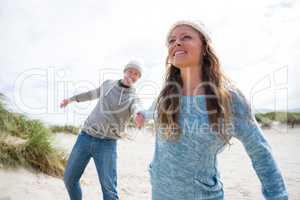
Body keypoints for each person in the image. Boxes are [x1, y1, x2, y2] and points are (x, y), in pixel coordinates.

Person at [147, 20, 288, 200]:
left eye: (186, 37)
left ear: (204, 46)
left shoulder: (228, 97)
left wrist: (278, 196)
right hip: (159, 194)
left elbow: (260, 152)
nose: (177, 43)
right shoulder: (166, 94)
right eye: (171, 40)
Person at [60, 60, 145, 200]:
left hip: (107, 145)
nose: (132, 75)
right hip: (85, 137)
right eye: (131, 71)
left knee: (109, 191)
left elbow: (137, 107)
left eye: (136, 74)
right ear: (125, 71)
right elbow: (91, 94)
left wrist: (138, 115)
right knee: (69, 179)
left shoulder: (133, 98)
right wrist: (71, 99)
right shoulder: (108, 84)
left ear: (137, 79)